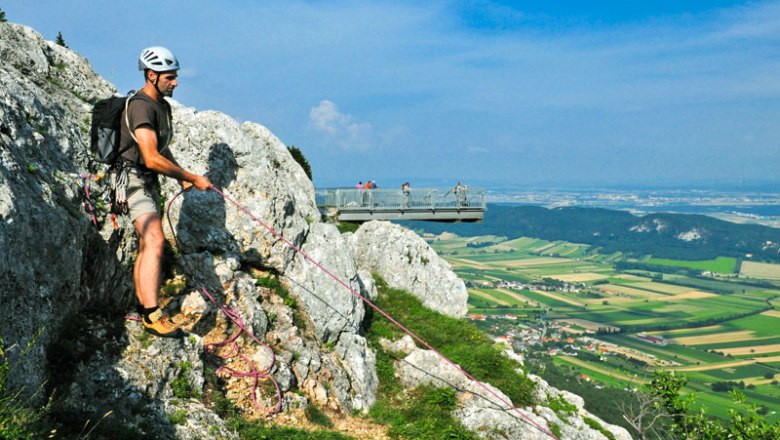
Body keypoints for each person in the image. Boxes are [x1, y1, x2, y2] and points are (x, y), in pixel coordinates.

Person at [119, 46, 212, 337]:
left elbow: (162, 148)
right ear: (152, 75)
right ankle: (151, 315)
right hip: (132, 180)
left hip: (146, 181)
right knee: (155, 240)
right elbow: (149, 156)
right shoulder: (141, 106)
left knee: (148, 243)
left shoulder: (162, 107)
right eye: (170, 77)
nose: (176, 82)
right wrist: (191, 177)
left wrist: (180, 175)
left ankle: (142, 305)